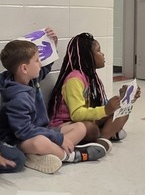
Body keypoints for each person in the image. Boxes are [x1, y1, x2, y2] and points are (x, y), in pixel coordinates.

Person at [0, 37, 107, 174]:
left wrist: (52, 46)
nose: (40, 63)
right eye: (37, 60)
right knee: (40, 142)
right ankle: (71, 156)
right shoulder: (18, 98)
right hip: (20, 139)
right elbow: (24, 132)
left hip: (41, 129)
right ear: (24, 68)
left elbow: (45, 68)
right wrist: (57, 138)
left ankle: (45, 154)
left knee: (80, 127)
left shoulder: (31, 79)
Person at [48, 33, 136, 144]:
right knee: (91, 129)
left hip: (84, 120)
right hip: (66, 124)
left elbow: (99, 105)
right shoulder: (74, 80)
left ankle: (102, 140)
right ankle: (107, 134)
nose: (103, 54)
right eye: (99, 51)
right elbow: (76, 115)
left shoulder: (90, 77)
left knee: (122, 110)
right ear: (88, 56)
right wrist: (106, 110)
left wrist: (124, 98)